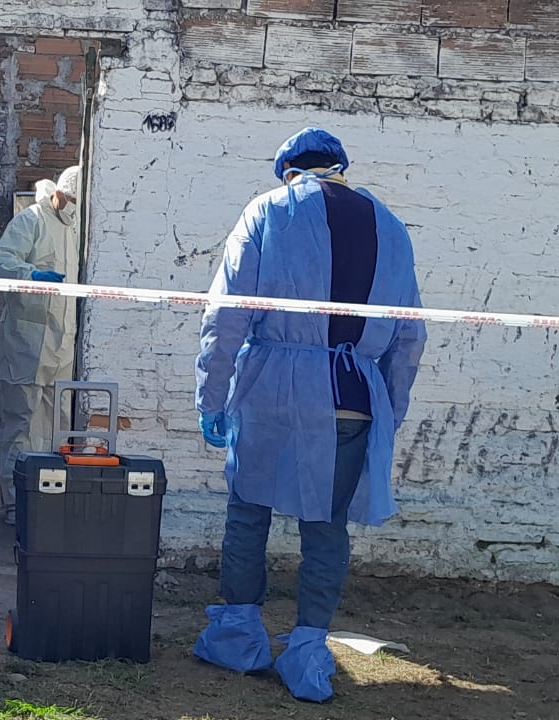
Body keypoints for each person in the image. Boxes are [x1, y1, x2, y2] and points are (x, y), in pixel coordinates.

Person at [192, 127, 427, 702]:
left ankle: (238, 637)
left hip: (273, 389)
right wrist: (388, 413)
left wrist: (211, 398)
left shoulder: (268, 211)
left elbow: (227, 315)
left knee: (249, 512)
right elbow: (409, 336)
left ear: (289, 171)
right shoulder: (391, 226)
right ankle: (307, 650)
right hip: (355, 397)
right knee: (327, 527)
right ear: (341, 168)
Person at [0, 165, 81, 525]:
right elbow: (0, 264)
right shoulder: (31, 220)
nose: (72, 208)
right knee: (19, 427)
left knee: (57, 425)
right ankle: (16, 505)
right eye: (69, 201)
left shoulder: (76, 227)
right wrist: (31, 275)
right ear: (57, 194)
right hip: (25, 342)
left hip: (62, 343)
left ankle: (46, 500)